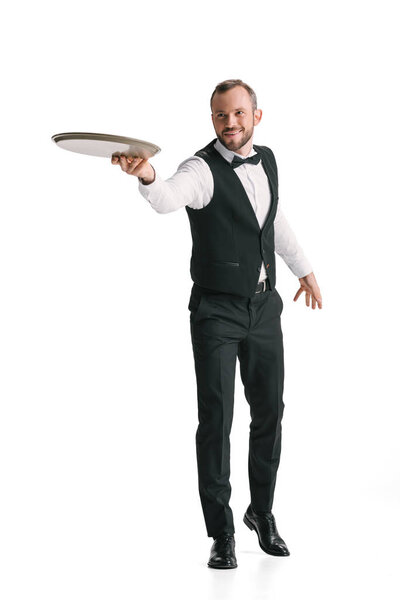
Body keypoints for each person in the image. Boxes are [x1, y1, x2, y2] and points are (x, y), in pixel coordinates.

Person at [112, 79, 322, 569]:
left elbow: (273, 220)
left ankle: (261, 513)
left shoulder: (267, 159)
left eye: (239, 114)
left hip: (265, 308)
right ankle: (221, 531)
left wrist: (305, 269)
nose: (231, 123)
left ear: (257, 116)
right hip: (217, 313)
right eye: (221, 116)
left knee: (270, 413)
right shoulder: (199, 169)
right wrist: (147, 176)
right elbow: (168, 198)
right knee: (217, 421)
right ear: (213, 120)